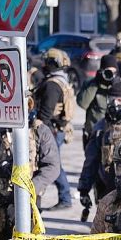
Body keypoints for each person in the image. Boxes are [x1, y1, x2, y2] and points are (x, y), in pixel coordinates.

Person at [78, 81, 121, 205]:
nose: (114, 104)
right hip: (105, 188)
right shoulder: (101, 127)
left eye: (118, 100)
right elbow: (91, 160)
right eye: (111, 99)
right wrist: (84, 189)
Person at [34, 48, 77, 212]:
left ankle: (65, 197)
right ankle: (65, 197)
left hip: (51, 130)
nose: (44, 65)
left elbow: (46, 112)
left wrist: (38, 130)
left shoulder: (52, 85)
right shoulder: (60, 80)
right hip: (56, 128)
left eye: (47, 62)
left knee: (52, 165)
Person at [77, 54, 121, 148]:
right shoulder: (92, 84)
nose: (110, 74)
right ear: (101, 71)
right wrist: (96, 83)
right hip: (94, 133)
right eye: (107, 71)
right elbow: (83, 103)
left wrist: (118, 85)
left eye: (113, 72)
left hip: (116, 134)